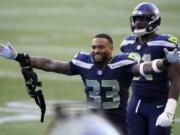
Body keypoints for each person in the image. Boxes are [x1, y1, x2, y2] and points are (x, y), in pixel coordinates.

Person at [0, 33, 179, 135]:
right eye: (93, 47)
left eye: (101, 47)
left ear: (111, 49)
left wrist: (165, 62)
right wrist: (19, 57)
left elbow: (145, 68)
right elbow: (51, 64)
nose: (96, 50)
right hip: (94, 121)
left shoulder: (123, 63)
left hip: (119, 123)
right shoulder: (83, 62)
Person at [120, 2, 180, 135]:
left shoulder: (166, 43)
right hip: (135, 102)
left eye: (142, 19)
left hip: (158, 103)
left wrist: (169, 111)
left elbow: (176, 79)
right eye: (135, 19)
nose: (137, 22)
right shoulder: (127, 43)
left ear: (153, 21)